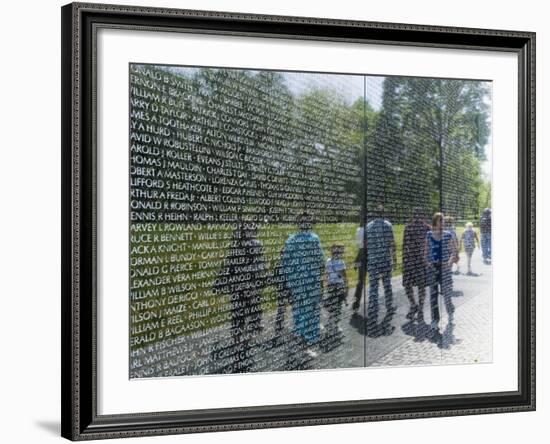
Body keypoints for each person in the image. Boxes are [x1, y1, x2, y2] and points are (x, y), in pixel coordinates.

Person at [214, 221, 269, 346]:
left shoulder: (235, 245)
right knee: (252, 310)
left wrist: (219, 283)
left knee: (238, 314)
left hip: (238, 286)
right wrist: (263, 278)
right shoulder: (256, 244)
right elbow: (261, 265)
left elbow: (228, 265)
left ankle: (237, 339)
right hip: (251, 286)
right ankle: (246, 339)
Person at [282, 212, 325, 358]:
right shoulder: (314, 239)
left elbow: (285, 263)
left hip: (295, 284)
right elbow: (320, 261)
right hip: (310, 283)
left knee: (298, 313)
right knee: (308, 315)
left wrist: (289, 283)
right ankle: (304, 347)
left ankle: (296, 341)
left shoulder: (290, 240)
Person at [365, 204, 397, 327]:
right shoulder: (387, 225)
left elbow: (366, 244)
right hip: (385, 260)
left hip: (373, 260)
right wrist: (394, 260)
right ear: (383, 214)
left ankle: (373, 308)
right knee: (387, 284)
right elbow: (392, 243)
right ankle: (389, 305)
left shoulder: (368, 226)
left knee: (373, 286)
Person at [424, 212, 455, 333]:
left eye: (443, 221)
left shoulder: (448, 235)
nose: (442, 223)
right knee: (433, 296)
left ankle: (450, 312)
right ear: (435, 222)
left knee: (447, 293)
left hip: (445, 268)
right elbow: (426, 252)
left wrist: (450, 261)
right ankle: (434, 320)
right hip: (432, 268)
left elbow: (453, 251)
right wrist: (427, 263)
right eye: (440, 221)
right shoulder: (428, 234)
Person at [402, 208, 430, 323]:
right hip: (411, 260)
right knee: (408, 285)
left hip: (420, 261)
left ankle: (420, 306)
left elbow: (430, 246)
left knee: (421, 286)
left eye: (420, 215)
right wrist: (404, 259)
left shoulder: (427, 228)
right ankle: (414, 304)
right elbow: (404, 245)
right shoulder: (408, 227)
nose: (418, 217)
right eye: (416, 215)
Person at [323, 244, 348, 338]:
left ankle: (330, 323)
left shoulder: (328, 261)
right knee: (338, 307)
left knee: (332, 305)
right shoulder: (341, 262)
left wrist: (327, 284)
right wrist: (346, 288)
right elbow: (344, 276)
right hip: (339, 287)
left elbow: (326, 275)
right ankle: (336, 326)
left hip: (330, 286)